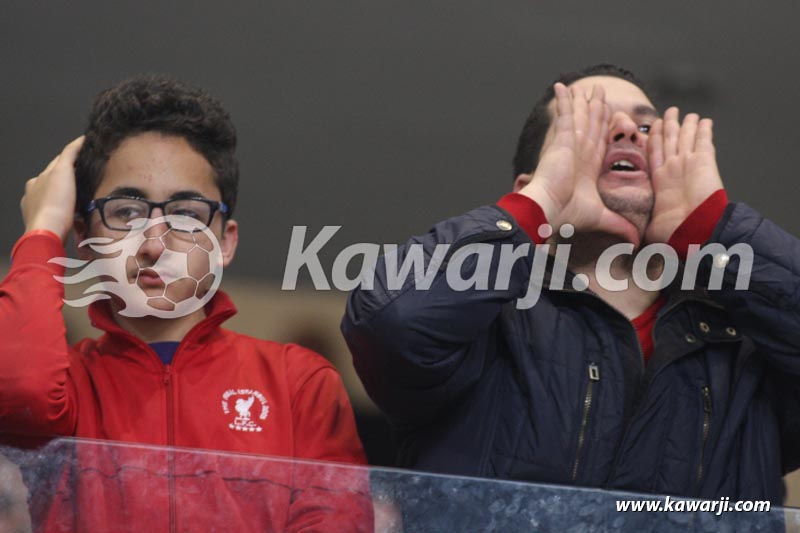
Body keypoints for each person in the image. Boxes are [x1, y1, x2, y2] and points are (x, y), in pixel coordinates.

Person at [342, 64, 800, 504]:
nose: (625, 132)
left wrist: (713, 231)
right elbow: (391, 321)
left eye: (646, 129)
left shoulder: (748, 344)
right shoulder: (484, 329)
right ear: (530, 184)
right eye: (589, 128)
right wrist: (540, 205)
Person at [0, 75, 371, 531]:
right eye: (127, 212)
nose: (155, 244)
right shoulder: (69, 388)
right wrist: (42, 231)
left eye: (186, 214)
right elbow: (19, 392)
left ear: (225, 242)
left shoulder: (298, 385)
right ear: (85, 238)